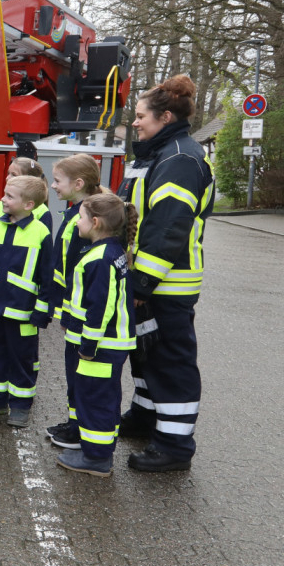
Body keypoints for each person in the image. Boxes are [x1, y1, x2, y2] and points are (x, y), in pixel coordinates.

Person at [117, 75, 214, 472]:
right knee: (146, 356)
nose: (135, 123)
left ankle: (174, 446)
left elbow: (168, 229)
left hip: (166, 284)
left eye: (141, 117)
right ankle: (144, 417)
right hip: (152, 281)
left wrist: (142, 282)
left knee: (170, 362)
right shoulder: (161, 153)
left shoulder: (178, 159)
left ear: (166, 116)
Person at [56, 193, 138, 477]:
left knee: (94, 398)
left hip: (102, 345)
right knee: (104, 395)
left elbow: (100, 308)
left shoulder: (100, 258)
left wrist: (88, 344)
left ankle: (97, 458)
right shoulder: (112, 250)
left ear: (95, 222)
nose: (76, 222)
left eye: (79, 217)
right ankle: (97, 446)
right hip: (112, 343)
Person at [0, 174, 54, 427]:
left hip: (25, 311)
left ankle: (20, 405)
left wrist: (41, 310)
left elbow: (46, 277)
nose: (2, 199)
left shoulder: (40, 232)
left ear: (28, 205)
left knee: (22, 358)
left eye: (9, 196)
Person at [44, 153, 109, 449]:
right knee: (73, 370)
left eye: (58, 180)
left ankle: (79, 429)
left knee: (80, 371)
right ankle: (74, 422)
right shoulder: (77, 212)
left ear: (78, 183)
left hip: (81, 315)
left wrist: (68, 313)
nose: (54, 186)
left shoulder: (85, 219)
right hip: (74, 311)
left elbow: (81, 274)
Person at [0, 156, 54, 233]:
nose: (7, 178)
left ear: (30, 180)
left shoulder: (42, 212)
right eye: (8, 173)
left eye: (14, 175)